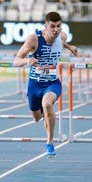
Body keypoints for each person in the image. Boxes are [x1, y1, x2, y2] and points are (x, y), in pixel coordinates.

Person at [13, 11, 78, 158]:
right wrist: (26, 61)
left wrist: (70, 47)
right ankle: (47, 117)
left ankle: (50, 143)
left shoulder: (62, 36)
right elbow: (16, 60)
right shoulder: (34, 39)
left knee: (47, 104)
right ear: (46, 26)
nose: (56, 29)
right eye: (53, 26)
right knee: (37, 117)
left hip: (53, 83)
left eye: (59, 26)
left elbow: (61, 41)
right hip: (34, 85)